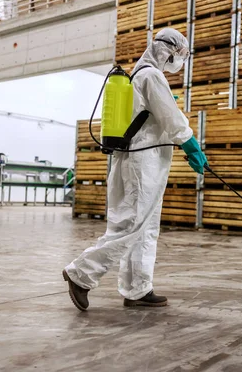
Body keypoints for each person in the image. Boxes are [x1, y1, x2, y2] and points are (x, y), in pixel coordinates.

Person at [62, 28, 207, 311]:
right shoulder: (152, 75)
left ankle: (138, 288)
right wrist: (191, 145)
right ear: (169, 52)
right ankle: (80, 274)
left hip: (144, 161)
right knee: (131, 224)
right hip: (143, 164)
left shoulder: (141, 75)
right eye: (181, 56)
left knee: (145, 227)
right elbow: (172, 118)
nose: (180, 62)